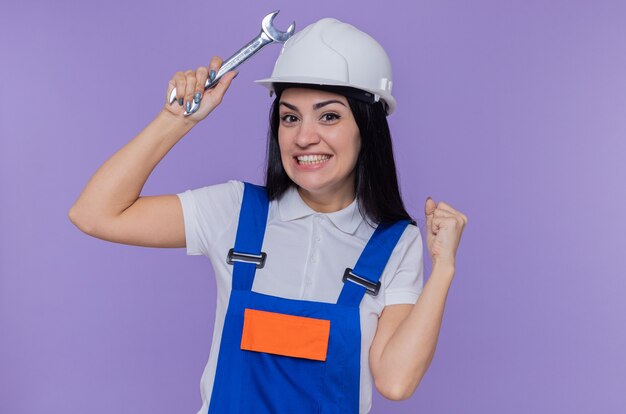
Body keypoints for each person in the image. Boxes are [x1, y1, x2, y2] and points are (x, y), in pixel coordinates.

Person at [69, 17, 467, 414]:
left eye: (328, 116)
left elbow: (395, 382)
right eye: (290, 116)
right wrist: (175, 120)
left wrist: (444, 267)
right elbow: (95, 214)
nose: (303, 136)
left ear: (367, 128)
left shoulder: (396, 243)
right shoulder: (234, 211)